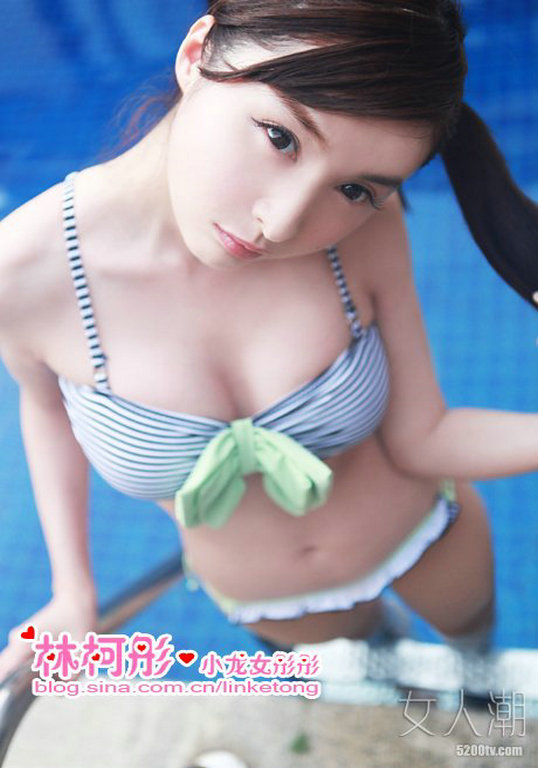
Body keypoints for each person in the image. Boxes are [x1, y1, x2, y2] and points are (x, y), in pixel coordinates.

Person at [0, 0, 536, 680]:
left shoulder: (366, 229)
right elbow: (48, 405)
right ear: (197, 53)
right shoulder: (21, 273)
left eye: (353, 188)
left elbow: (421, 437)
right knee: (381, 690)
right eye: (281, 138)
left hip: (432, 539)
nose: (281, 224)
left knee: (482, 674)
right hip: (277, 601)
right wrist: (73, 590)